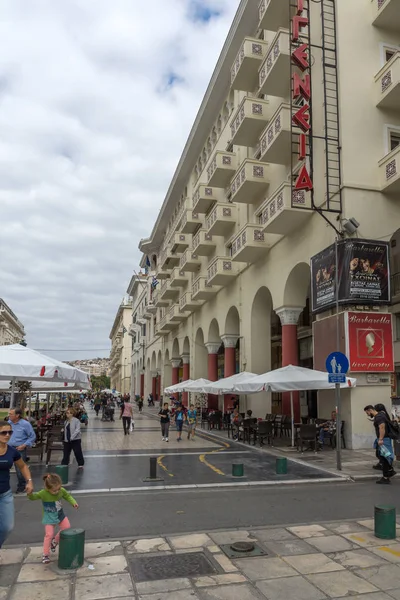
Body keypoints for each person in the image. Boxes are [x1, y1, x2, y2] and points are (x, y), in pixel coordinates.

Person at [28, 473, 79, 564]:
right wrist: (29, 493)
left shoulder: (61, 491)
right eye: (54, 490)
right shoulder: (43, 493)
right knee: (48, 535)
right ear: (47, 488)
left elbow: (68, 496)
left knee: (66, 527)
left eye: (59, 489)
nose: (57, 492)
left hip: (60, 514)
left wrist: (73, 503)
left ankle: (55, 541)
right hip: (49, 517)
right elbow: (33, 497)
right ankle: (46, 554)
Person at [0, 422, 33, 548]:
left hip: (5, 495)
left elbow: (23, 466)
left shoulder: (12, 451)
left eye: (10, 432)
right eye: (3, 432)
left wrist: (29, 481)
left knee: (7, 527)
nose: (7, 435)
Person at [364, 404, 395, 484]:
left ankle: (386, 477)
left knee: (384, 458)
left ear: (369, 410)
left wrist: (381, 439)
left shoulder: (379, 417)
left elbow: (382, 427)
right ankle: (390, 471)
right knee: (382, 456)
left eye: (367, 413)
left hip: (384, 440)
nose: (367, 414)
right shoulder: (381, 415)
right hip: (384, 439)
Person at [8, 408, 36, 494]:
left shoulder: (25, 424)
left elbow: (32, 436)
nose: (9, 415)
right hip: (8, 448)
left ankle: (22, 485)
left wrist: (24, 445)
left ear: (17, 415)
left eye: (11, 414)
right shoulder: (8, 424)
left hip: (19, 448)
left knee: (20, 469)